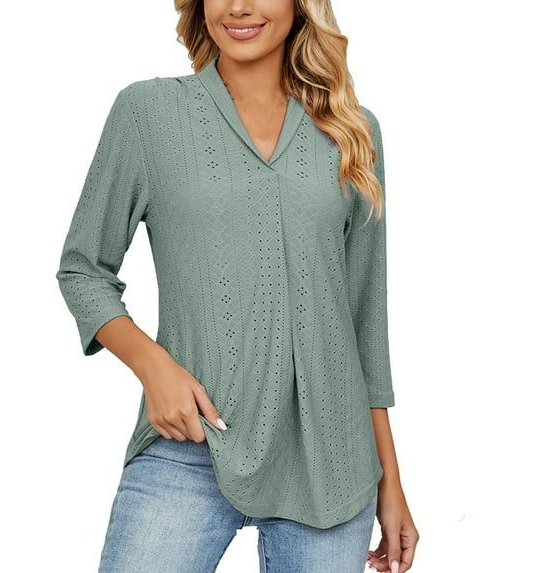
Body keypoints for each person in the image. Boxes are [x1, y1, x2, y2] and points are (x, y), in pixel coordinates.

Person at [55, 0, 419, 571]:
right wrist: (155, 367)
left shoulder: (353, 130)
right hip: (191, 443)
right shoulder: (149, 113)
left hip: (332, 461)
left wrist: (390, 482)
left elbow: (363, 323)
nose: (239, 6)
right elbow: (83, 268)